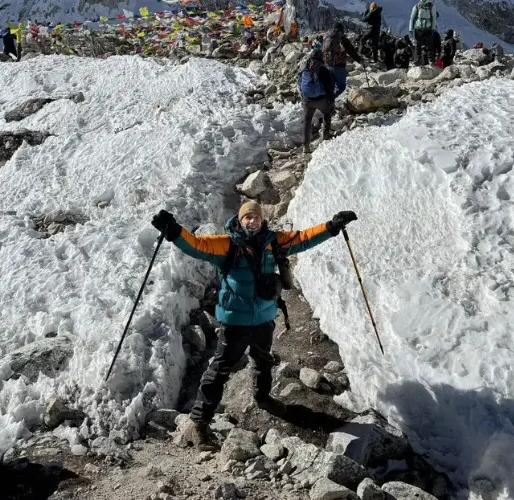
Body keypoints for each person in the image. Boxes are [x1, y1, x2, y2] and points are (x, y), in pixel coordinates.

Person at [151, 203, 359, 447]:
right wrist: (174, 231)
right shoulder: (227, 243)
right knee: (219, 370)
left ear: (262, 220)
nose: (252, 221)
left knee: (263, 360)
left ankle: (263, 398)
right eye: (247, 217)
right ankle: (198, 422)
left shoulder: (274, 241)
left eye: (256, 217)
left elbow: (303, 238)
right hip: (235, 323)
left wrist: (332, 227)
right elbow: (198, 245)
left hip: (264, 319)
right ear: (240, 220)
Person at [297, 48, 336, 153]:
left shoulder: (304, 67)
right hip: (321, 99)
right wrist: (331, 100)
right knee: (327, 113)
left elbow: (299, 82)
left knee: (307, 120)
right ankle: (326, 135)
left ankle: (306, 146)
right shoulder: (323, 69)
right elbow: (329, 87)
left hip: (307, 100)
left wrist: (303, 95)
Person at [322, 22, 363, 98]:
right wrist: (360, 60)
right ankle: (331, 99)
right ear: (341, 30)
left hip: (327, 65)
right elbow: (352, 52)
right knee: (341, 87)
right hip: (338, 67)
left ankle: (327, 103)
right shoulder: (342, 39)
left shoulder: (326, 37)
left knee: (330, 86)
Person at [408, 0, 438, 65]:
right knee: (418, 44)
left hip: (427, 28)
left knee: (429, 44)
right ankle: (418, 59)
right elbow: (412, 18)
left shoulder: (431, 6)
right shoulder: (417, 6)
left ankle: (430, 59)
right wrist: (410, 28)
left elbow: (434, 17)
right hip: (419, 28)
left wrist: (433, 28)